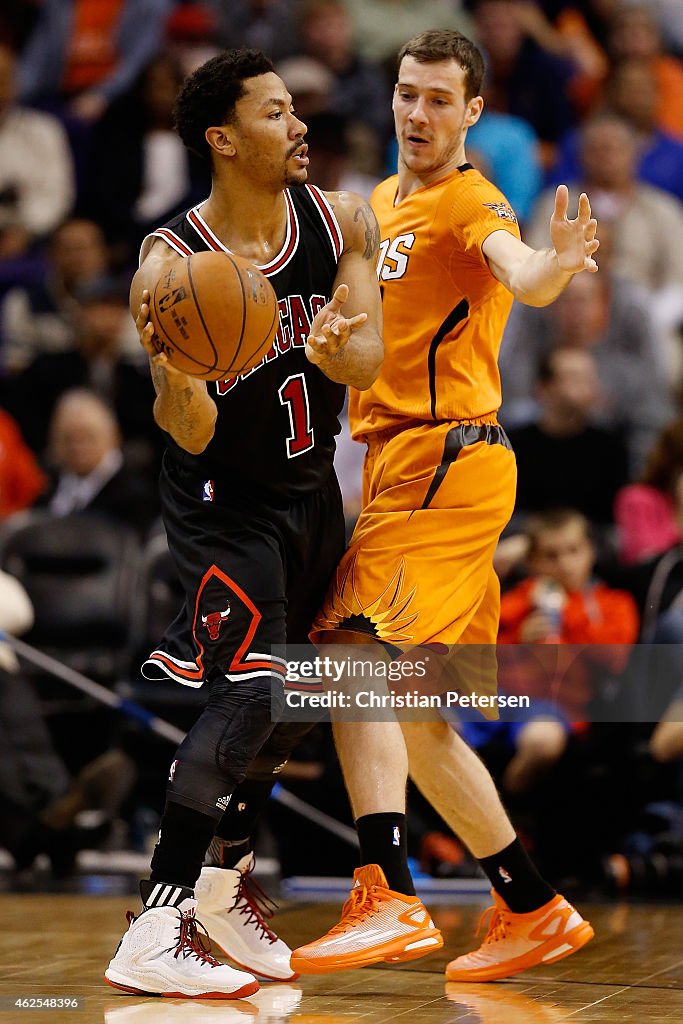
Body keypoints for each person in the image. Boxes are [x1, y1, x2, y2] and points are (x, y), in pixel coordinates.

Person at [290, 29, 598, 981]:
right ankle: (529, 903)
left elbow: (520, 269)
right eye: (405, 94)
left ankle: (383, 889)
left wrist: (549, 268)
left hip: (448, 457)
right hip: (394, 457)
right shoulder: (378, 204)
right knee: (417, 717)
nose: (415, 113)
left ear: (472, 114)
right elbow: (367, 351)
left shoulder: (471, 199)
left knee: (348, 649)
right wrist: (333, 346)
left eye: (437, 100)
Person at [104, 48, 384, 999]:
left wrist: (334, 349)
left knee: (298, 696)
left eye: (294, 107)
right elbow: (191, 428)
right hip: (223, 504)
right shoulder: (168, 264)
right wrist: (179, 369)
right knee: (253, 690)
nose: (299, 123)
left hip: (311, 493)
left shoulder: (341, 217)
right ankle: (155, 919)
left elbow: (367, 367)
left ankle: (224, 888)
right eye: (274, 113)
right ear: (223, 139)